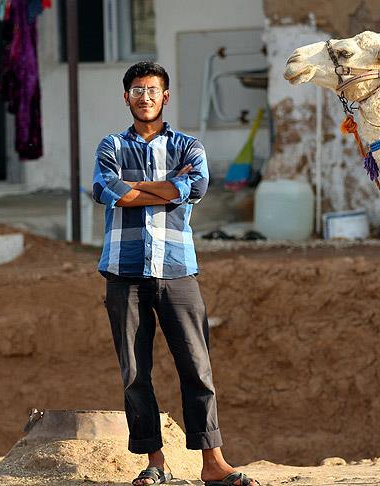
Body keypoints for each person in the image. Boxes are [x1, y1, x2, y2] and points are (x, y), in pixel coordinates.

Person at [91, 61, 260, 486]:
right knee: (135, 372)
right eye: (136, 89)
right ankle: (155, 463)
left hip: (178, 271)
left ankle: (213, 464)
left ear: (165, 97)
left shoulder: (189, 146)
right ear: (125, 96)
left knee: (197, 368)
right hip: (123, 273)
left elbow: (195, 187)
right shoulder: (110, 145)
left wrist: (137, 190)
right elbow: (107, 190)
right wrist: (166, 188)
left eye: (152, 89)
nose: (144, 96)